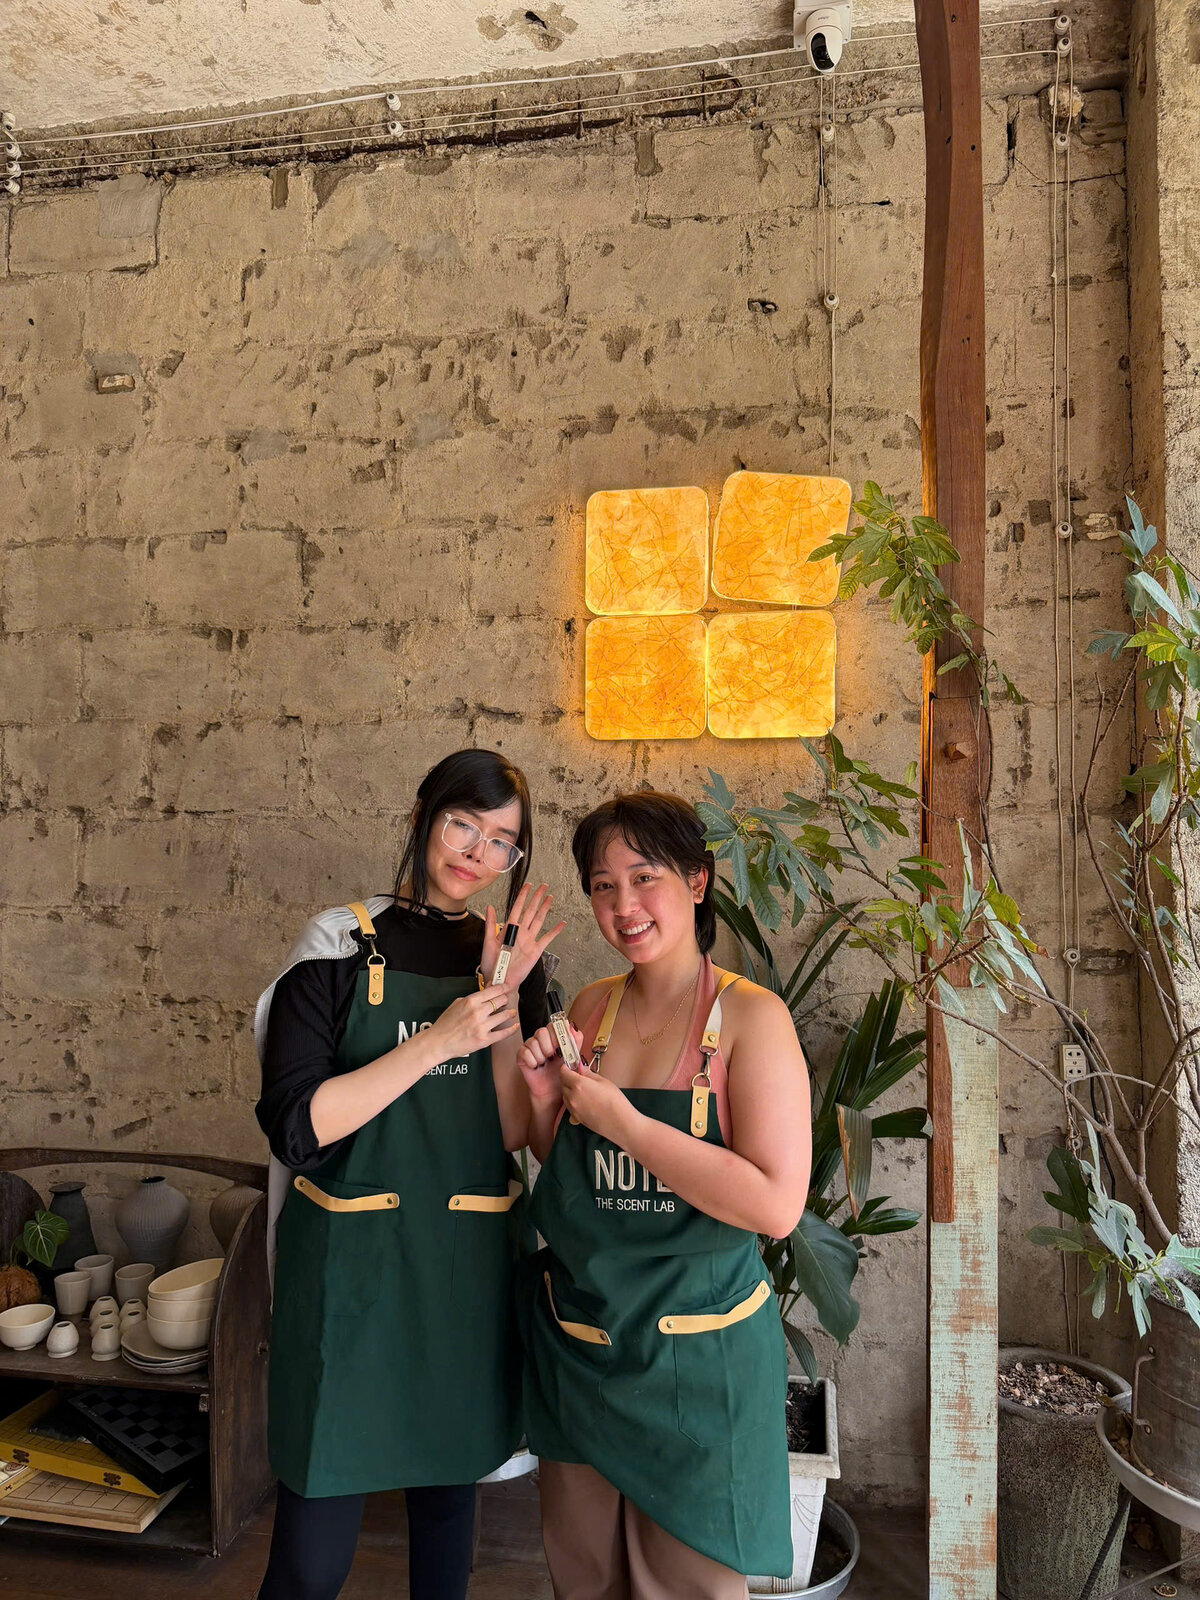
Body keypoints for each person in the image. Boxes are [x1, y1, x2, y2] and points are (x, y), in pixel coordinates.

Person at [253, 748, 563, 1600]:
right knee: (310, 1561)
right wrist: (440, 1040)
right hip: (348, 1279)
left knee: (445, 1534)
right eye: (464, 824)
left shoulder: (508, 960)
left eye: (501, 842)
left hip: (460, 1275)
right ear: (424, 813)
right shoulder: (337, 942)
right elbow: (298, 1127)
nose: (477, 852)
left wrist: (505, 996)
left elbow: (515, 1133)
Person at [517, 790, 812, 1600]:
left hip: (697, 1360)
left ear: (696, 881)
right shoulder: (593, 1009)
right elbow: (573, 1177)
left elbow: (775, 1205)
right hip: (586, 1345)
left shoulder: (752, 1020)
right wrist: (545, 1104)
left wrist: (624, 1121)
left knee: (688, 1585)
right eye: (602, 885)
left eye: (644, 877)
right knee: (585, 1579)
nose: (624, 905)